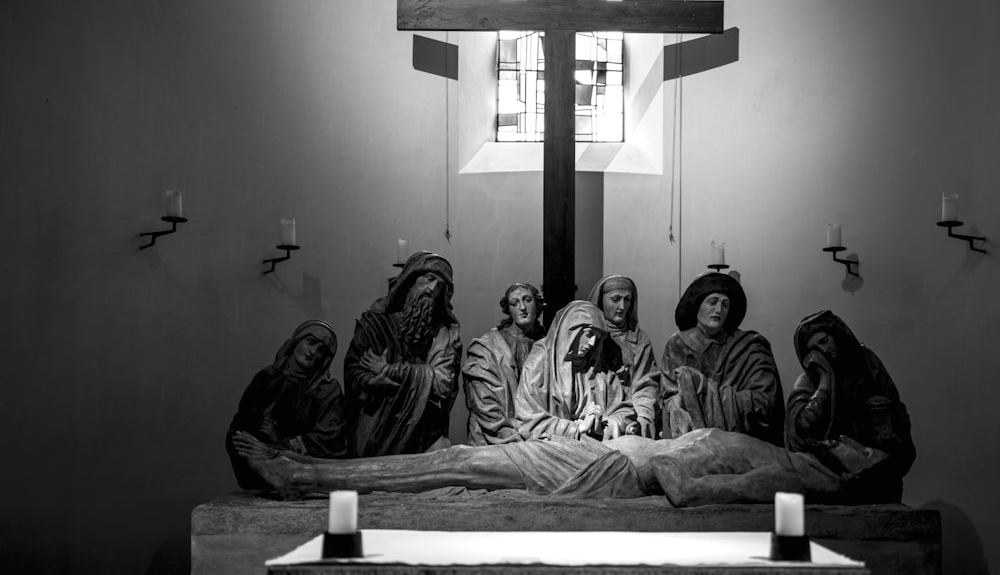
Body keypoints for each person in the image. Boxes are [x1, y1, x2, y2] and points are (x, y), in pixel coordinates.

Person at [234, 425, 892, 506]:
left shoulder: (795, 475)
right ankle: (307, 467)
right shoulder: (793, 457)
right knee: (460, 460)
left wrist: (657, 453)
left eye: (868, 450)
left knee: (463, 461)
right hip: (606, 454)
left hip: (608, 469)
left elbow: (686, 486)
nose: (859, 439)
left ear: (857, 468)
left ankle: (305, 475)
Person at [785, 310, 916, 502]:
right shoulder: (808, 382)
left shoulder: (866, 363)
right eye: (815, 349)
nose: (824, 350)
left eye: (824, 340)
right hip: (832, 471)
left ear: (834, 334)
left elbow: (895, 412)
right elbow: (801, 431)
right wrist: (824, 382)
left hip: (873, 465)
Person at [344, 251, 462, 457]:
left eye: (440, 285)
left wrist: (393, 371)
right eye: (430, 278)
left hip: (421, 426)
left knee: (440, 456)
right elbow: (355, 369)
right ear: (411, 278)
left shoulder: (442, 332)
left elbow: (444, 381)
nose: (433, 289)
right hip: (377, 419)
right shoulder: (376, 323)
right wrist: (370, 382)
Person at [660, 272, 784, 445]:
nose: (719, 310)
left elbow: (765, 404)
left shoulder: (748, 347)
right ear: (698, 305)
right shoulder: (677, 344)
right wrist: (681, 400)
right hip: (691, 441)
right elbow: (670, 398)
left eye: (725, 305)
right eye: (712, 302)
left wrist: (701, 391)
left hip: (741, 442)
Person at [225, 319, 346, 490]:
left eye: (321, 351)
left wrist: (281, 441)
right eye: (311, 342)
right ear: (297, 341)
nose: (313, 352)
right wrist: (255, 445)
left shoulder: (327, 391)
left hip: (303, 466)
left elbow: (330, 440)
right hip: (260, 461)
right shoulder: (266, 378)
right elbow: (242, 424)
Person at [515, 300, 637, 441]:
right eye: (589, 334)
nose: (592, 343)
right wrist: (577, 428)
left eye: (596, 337)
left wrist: (606, 424)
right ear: (571, 330)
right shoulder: (541, 361)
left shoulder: (597, 368)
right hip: (554, 445)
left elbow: (624, 410)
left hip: (594, 443)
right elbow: (527, 421)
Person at [463, 283, 546, 445]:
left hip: (538, 433)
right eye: (514, 303)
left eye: (527, 300)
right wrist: (510, 434)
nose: (522, 307)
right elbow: (484, 403)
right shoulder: (488, 347)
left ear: (537, 304)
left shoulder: (548, 345)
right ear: (508, 309)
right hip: (497, 434)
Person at [587, 275, 659, 438]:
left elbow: (647, 384)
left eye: (627, 300)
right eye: (615, 299)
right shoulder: (588, 336)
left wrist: (642, 416)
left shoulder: (639, 340)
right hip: (594, 415)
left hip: (630, 419)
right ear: (601, 300)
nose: (622, 306)